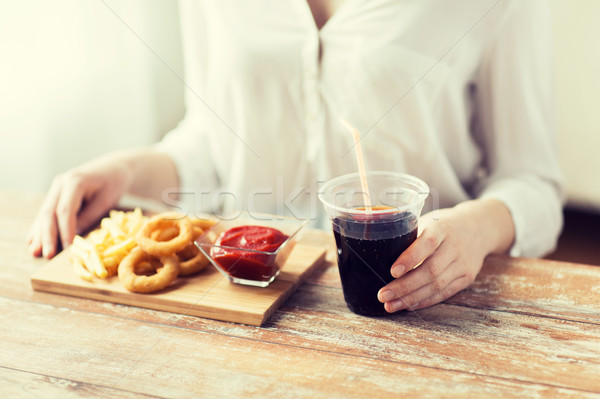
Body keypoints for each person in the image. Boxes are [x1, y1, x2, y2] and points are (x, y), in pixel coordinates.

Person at [27, 0, 563, 314]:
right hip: (248, 301)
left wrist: (476, 230)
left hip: (424, 304)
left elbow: (532, 183)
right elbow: (212, 148)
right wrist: (125, 170)